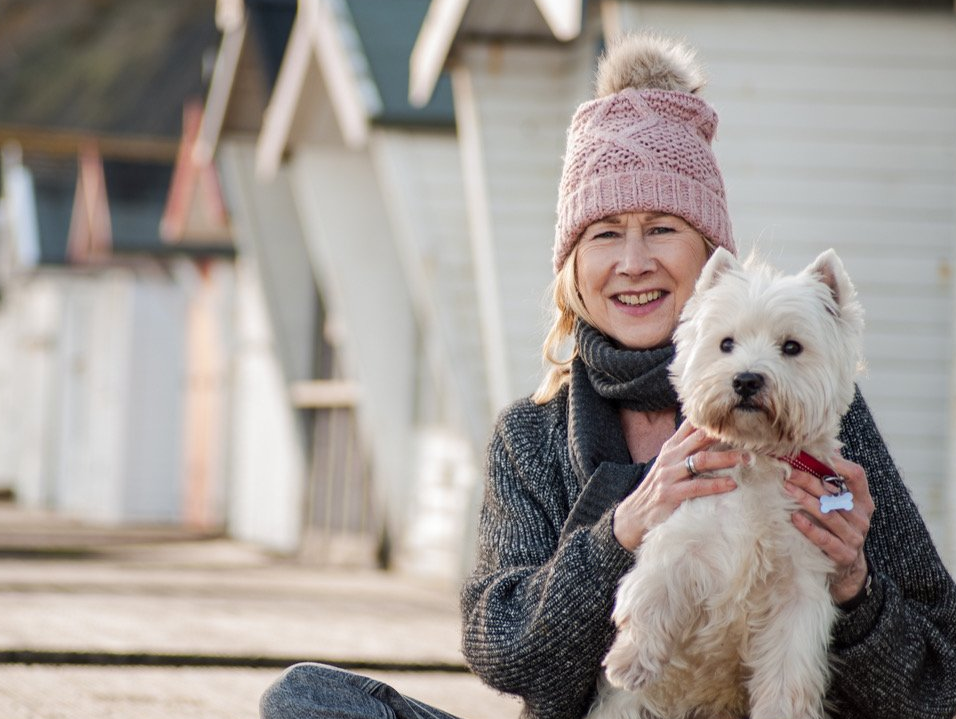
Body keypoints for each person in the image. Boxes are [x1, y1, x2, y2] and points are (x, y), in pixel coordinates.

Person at [260, 32, 956, 719]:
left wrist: (855, 586)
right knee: (306, 698)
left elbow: (941, 683)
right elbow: (504, 651)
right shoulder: (531, 437)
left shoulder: (818, 426)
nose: (633, 262)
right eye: (605, 232)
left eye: (662, 228)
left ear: (711, 260)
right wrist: (624, 526)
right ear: (573, 266)